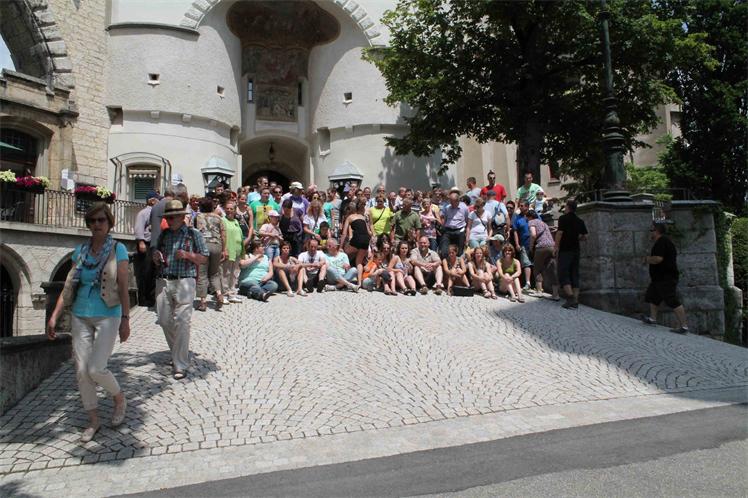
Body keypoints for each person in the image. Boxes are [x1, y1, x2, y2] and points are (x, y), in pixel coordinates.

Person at [47, 203, 130, 442]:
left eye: (101, 220)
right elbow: (68, 286)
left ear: (109, 223)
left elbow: (123, 286)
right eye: (92, 221)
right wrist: (54, 316)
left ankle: (119, 397)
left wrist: (126, 319)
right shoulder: (80, 251)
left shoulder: (119, 249)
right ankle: (93, 420)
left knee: (96, 368)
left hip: (108, 314)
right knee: (82, 370)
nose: (96, 224)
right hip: (80, 314)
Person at [152, 199, 209, 380]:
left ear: (180, 217)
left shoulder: (193, 234)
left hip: (185, 280)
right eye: (167, 218)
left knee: (182, 322)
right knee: (163, 320)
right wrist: (156, 257)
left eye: (171, 218)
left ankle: (180, 364)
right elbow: (157, 253)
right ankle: (177, 351)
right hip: (164, 280)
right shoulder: (164, 235)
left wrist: (187, 255)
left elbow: (204, 258)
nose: (168, 221)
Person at [642, 222, 689, 334]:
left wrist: (647, 259)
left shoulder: (662, 242)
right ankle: (653, 319)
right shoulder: (663, 241)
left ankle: (684, 326)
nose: (650, 233)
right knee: (653, 296)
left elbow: (658, 259)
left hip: (666, 277)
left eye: (651, 230)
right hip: (659, 278)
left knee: (671, 299)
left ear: (657, 231)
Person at [554, 198, 588, 309]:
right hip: (576, 250)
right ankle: (576, 300)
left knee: (563, 273)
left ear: (568, 207)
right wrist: (575, 238)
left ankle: (570, 298)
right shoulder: (580, 221)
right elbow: (585, 236)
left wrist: (556, 247)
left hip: (565, 250)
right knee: (574, 274)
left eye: (565, 206)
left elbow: (559, 233)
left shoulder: (563, 218)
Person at [194, 197, 226, 312]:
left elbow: (194, 232)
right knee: (214, 273)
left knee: (202, 273)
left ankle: (203, 302)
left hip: (203, 245)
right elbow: (223, 235)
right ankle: (219, 294)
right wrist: (224, 249)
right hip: (216, 245)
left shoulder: (197, 217)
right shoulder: (219, 218)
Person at [528, 209, 560, 301]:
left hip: (541, 247)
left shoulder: (531, 222)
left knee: (537, 268)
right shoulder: (544, 223)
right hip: (551, 246)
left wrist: (531, 246)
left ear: (529, 217)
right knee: (552, 269)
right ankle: (555, 294)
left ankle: (539, 291)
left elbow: (533, 235)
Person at [134, 191, 158, 307]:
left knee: (152, 271)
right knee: (145, 271)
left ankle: (151, 297)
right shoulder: (143, 213)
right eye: (157, 199)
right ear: (152, 201)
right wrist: (141, 242)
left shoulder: (155, 212)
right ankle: (143, 299)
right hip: (146, 243)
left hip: (153, 244)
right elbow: (139, 228)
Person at [342, 200, 371, 281]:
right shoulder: (362, 217)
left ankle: (346, 276)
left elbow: (344, 233)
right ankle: (359, 282)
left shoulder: (349, 217)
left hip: (358, 238)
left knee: (345, 254)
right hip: (366, 239)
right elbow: (368, 232)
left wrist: (340, 247)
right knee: (359, 262)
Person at [222, 200, 244, 304]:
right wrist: (224, 249)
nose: (229, 210)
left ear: (235, 210)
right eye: (227, 208)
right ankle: (224, 294)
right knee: (225, 274)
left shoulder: (236, 221)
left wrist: (242, 251)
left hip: (237, 251)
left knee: (234, 274)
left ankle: (231, 294)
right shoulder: (222, 220)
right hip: (228, 250)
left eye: (231, 209)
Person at [439, 189, 469, 258]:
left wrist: (466, 234)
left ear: (457, 201)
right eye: (450, 201)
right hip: (448, 230)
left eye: (452, 202)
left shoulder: (464, 208)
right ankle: (446, 261)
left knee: (459, 251)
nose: (451, 204)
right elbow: (445, 219)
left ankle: (458, 262)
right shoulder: (447, 208)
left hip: (459, 231)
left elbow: (467, 220)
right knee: (444, 250)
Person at [511, 200, 534, 291]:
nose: (520, 207)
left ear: (527, 206)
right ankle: (528, 283)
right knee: (526, 263)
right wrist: (517, 244)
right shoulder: (517, 218)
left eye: (522, 206)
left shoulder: (533, 215)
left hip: (535, 243)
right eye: (519, 206)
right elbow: (515, 232)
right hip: (524, 244)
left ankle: (537, 285)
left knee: (536, 263)